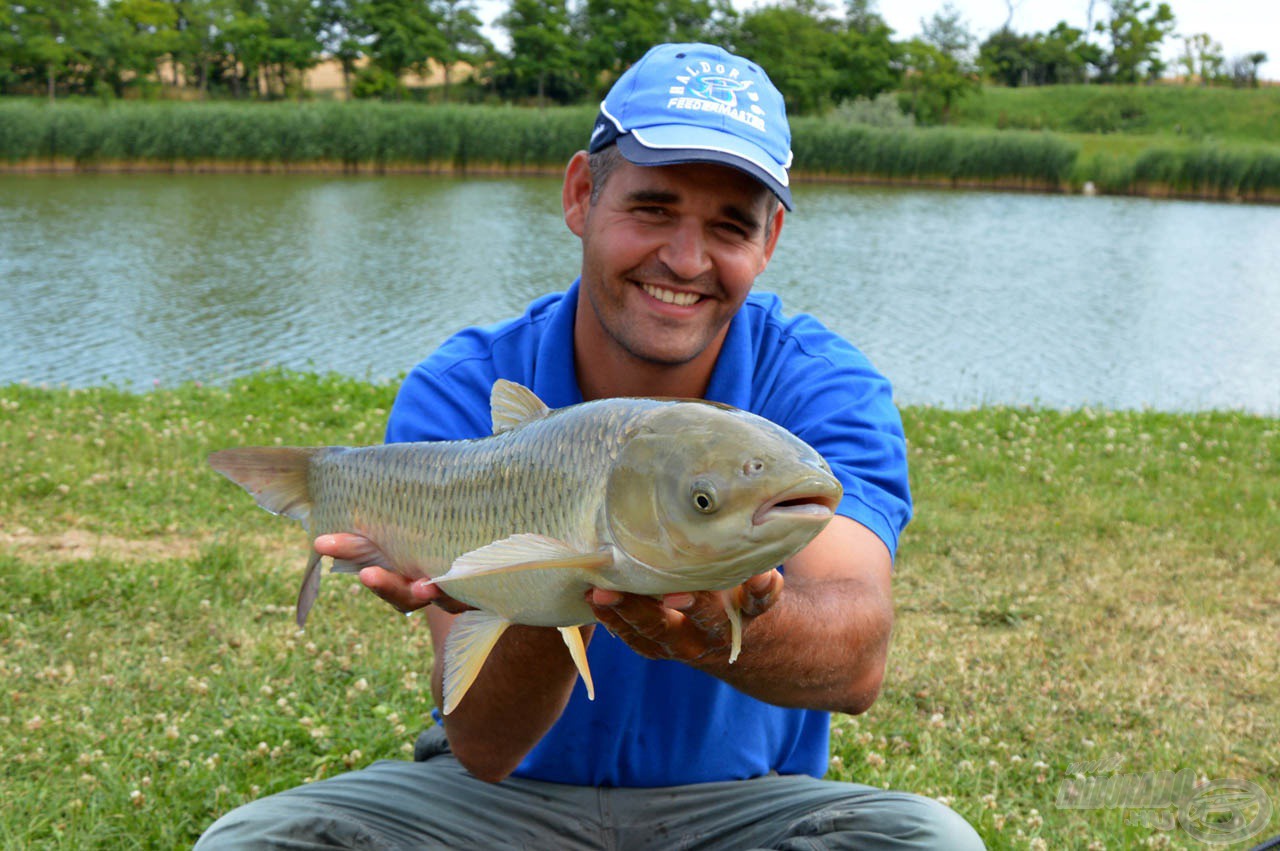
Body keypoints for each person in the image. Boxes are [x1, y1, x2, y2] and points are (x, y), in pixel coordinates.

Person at [196, 43, 984, 850]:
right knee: (253, 840)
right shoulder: (462, 386)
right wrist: (551, 579)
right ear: (581, 194)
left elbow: (856, 660)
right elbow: (486, 746)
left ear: (771, 236)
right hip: (499, 805)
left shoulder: (822, 386)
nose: (684, 259)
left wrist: (705, 622)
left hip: (741, 808)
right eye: (652, 209)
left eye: (729, 226)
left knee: (932, 840)